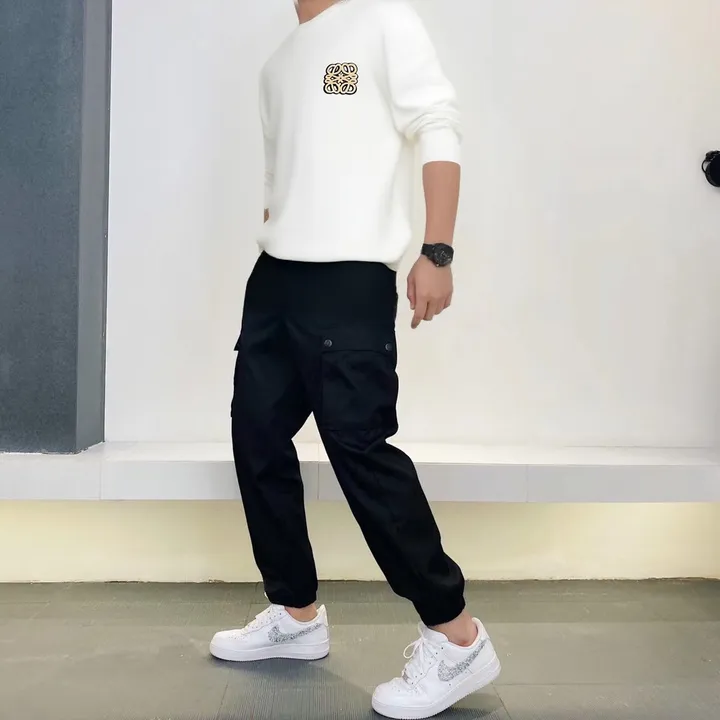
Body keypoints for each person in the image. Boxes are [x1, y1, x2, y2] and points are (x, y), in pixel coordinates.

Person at [210, 0, 501, 716]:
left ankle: (457, 636)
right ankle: (296, 614)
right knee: (256, 437)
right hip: (275, 278)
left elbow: (436, 124)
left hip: (350, 278)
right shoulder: (278, 65)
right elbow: (281, 180)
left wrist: (438, 251)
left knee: (358, 446)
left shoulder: (383, 21)